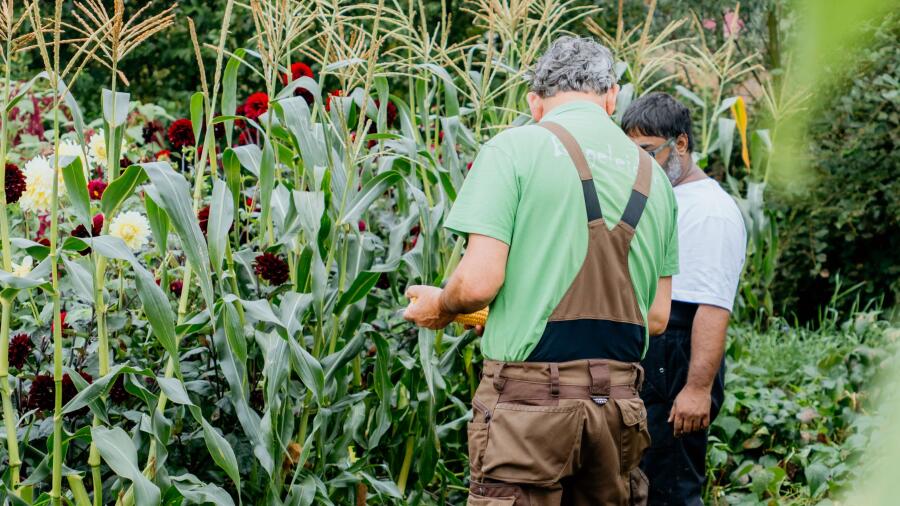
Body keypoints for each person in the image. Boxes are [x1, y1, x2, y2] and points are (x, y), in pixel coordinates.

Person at [403, 36, 680, 505]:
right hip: (619, 409)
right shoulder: (656, 179)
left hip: (528, 407)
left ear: (535, 102)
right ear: (612, 96)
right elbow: (655, 316)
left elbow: (476, 284)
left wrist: (443, 306)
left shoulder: (515, 148)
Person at [622, 92, 747, 506]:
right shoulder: (660, 194)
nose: (640, 164)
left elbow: (713, 307)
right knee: (641, 479)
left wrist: (696, 389)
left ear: (680, 144)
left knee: (671, 486)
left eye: (647, 151)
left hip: (679, 357)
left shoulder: (710, 211)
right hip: (651, 352)